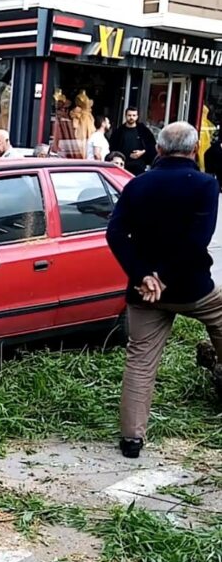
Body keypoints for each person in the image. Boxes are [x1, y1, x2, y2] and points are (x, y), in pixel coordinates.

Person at [106, 121, 222, 459]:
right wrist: (164, 276)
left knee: (140, 361)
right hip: (191, 289)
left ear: (158, 149)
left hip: (145, 293)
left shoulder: (137, 184)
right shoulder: (204, 185)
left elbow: (114, 234)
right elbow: (197, 240)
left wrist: (144, 276)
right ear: (193, 150)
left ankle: (131, 441)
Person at [108, 107, 156, 176]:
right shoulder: (119, 132)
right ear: (125, 116)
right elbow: (113, 148)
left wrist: (143, 152)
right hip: (123, 166)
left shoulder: (143, 131)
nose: (131, 117)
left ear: (137, 117)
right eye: (129, 115)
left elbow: (152, 146)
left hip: (139, 166)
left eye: (134, 115)